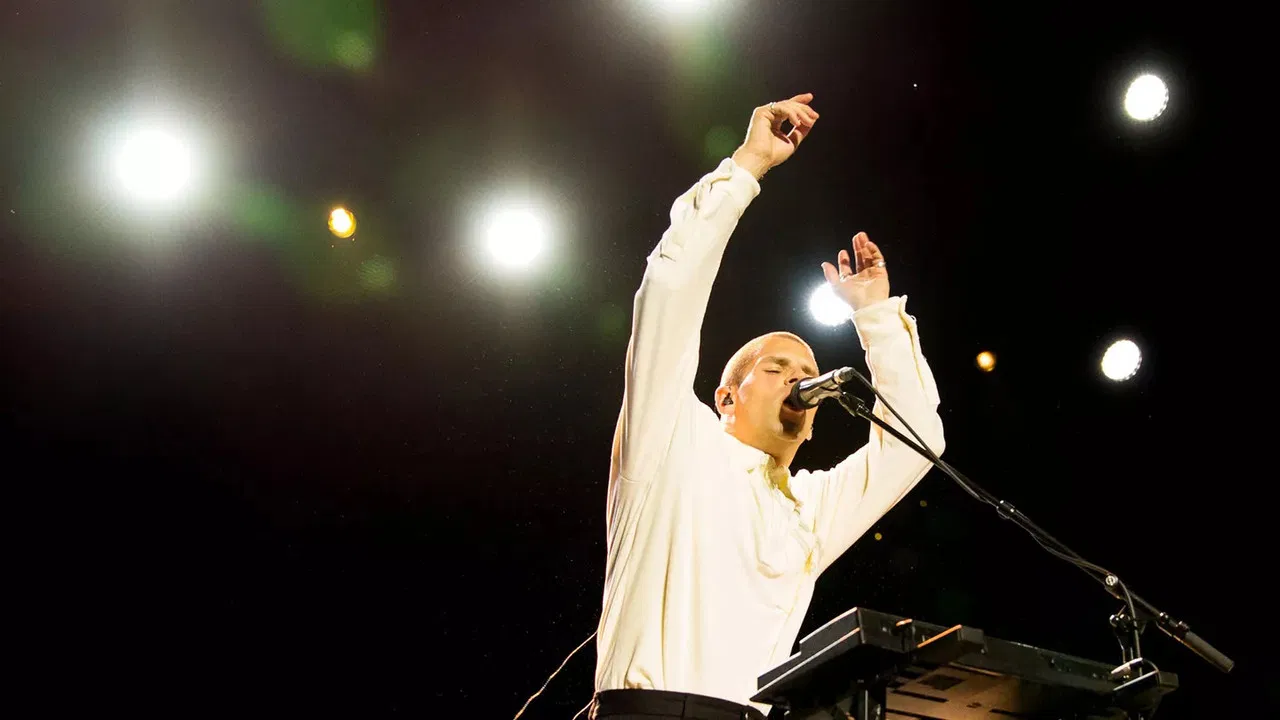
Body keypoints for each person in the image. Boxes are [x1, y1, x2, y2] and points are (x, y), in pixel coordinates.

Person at [590, 93, 946, 720]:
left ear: (811, 430)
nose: (800, 379)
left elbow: (919, 442)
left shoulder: (810, 510)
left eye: (809, 372)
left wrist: (875, 317)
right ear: (726, 396)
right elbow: (670, 289)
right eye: (777, 367)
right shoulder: (671, 440)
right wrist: (749, 165)